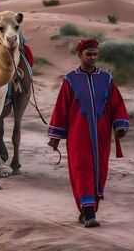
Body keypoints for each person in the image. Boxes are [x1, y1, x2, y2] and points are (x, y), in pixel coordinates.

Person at [47, 39, 129, 228]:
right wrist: (55, 137)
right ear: (80, 55)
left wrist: (120, 126)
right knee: (82, 170)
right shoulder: (70, 79)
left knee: (99, 171)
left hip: (101, 137)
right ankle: (90, 212)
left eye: (94, 54)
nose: (92, 58)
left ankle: (87, 210)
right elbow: (61, 109)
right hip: (78, 137)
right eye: (88, 54)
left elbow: (116, 105)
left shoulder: (106, 78)